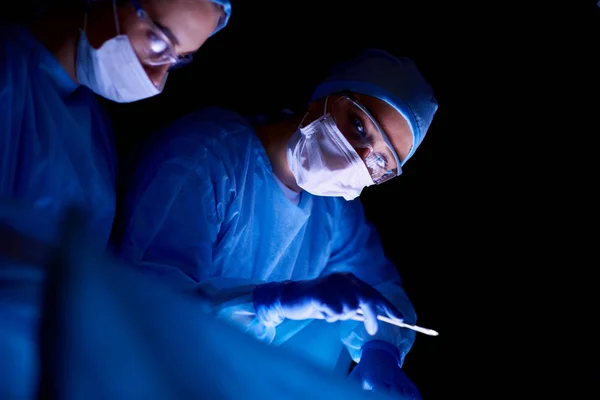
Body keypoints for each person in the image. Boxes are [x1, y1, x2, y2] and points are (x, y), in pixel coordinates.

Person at [115, 49, 438, 398]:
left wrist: (381, 350)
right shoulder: (204, 158)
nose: (361, 158)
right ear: (326, 96)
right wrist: (273, 301)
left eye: (381, 162)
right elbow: (145, 301)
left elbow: (379, 289)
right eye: (359, 126)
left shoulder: (330, 212)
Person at [0, 1, 231, 398]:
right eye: (159, 42)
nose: (159, 79)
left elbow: (90, 279)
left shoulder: (94, 130)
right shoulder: (9, 74)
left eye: (178, 60)